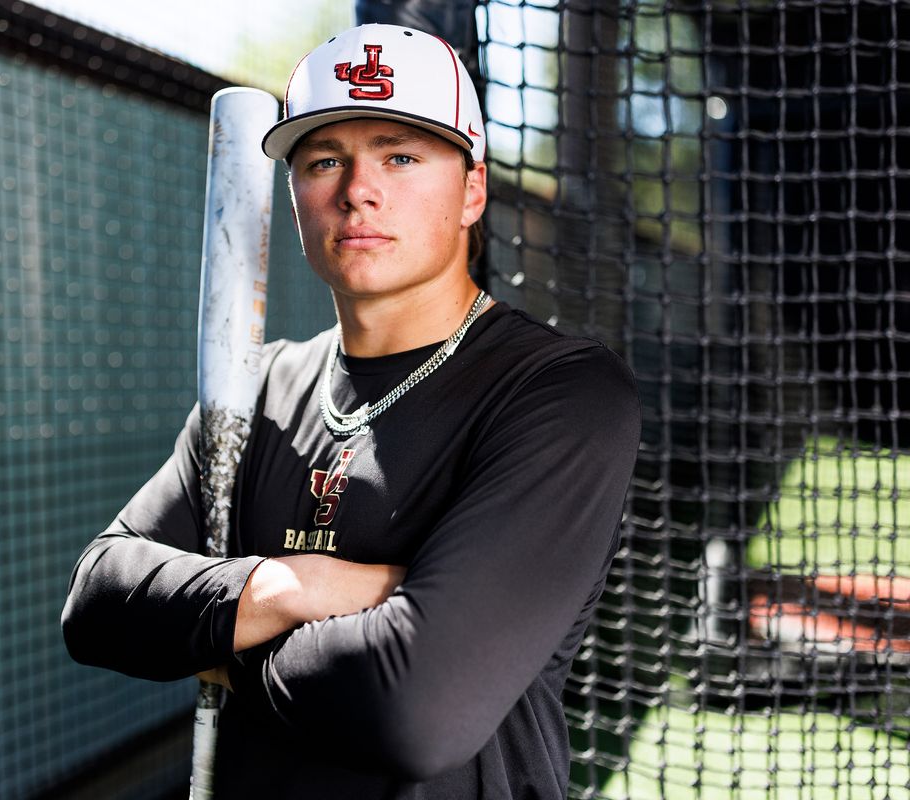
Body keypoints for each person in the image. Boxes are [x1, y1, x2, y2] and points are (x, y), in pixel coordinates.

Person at [62, 22, 640, 799]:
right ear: (295, 193)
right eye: (324, 160)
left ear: (472, 190)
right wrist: (289, 588)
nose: (358, 189)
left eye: (401, 156)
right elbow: (98, 601)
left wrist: (205, 635)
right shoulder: (257, 387)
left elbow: (416, 708)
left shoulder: (559, 391)